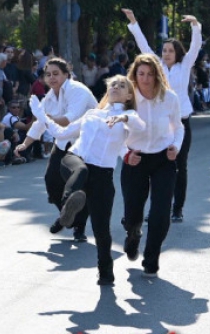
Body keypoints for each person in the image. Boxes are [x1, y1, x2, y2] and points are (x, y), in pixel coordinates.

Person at [16, 74, 143, 285]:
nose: (116, 87)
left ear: (129, 95)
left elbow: (137, 128)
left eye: (122, 85)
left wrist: (125, 128)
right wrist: (41, 115)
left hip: (102, 174)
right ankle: (68, 207)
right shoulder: (92, 114)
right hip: (74, 160)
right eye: (113, 84)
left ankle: (105, 272)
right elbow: (62, 133)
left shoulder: (129, 117)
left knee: (101, 230)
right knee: (81, 172)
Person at [123, 9, 200, 223]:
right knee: (154, 167)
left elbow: (195, 47)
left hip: (180, 122)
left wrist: (195, 25)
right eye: (164, 50)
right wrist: (133, 21)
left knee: (179, 165)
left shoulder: (184, 66)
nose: (166, 54)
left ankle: (177, 208)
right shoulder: (155, 66)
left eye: (170, 51)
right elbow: (143, 46)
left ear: (177, 53)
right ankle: (156, 209)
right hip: (157, 124)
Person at [121, 54, 184, 279]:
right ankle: (132, 233)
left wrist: (175, 146)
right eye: (141, 74)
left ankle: (151, 258)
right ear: (134, 75)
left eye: (150, 74)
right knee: (132, 214)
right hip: (134, 159)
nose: (146, 79)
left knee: (160, 213)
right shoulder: (127, 98)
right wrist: (126, 154)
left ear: (157, 75)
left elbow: (178, 127)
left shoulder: (169, 98)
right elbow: (114, 131)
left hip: (162, 159)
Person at [20, 57, 97, 240]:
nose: (52, 78)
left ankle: (79, 226)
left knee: (79, 186)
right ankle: (66, 216)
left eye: (56, 74)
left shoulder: (78, 90)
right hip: (64, 142)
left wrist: (44, 116)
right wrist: (25, 144)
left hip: (86, 143)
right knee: (51, 180)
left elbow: (68, 120)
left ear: (66, 75)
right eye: (48, 75)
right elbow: (40, 124)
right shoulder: (49, 97)